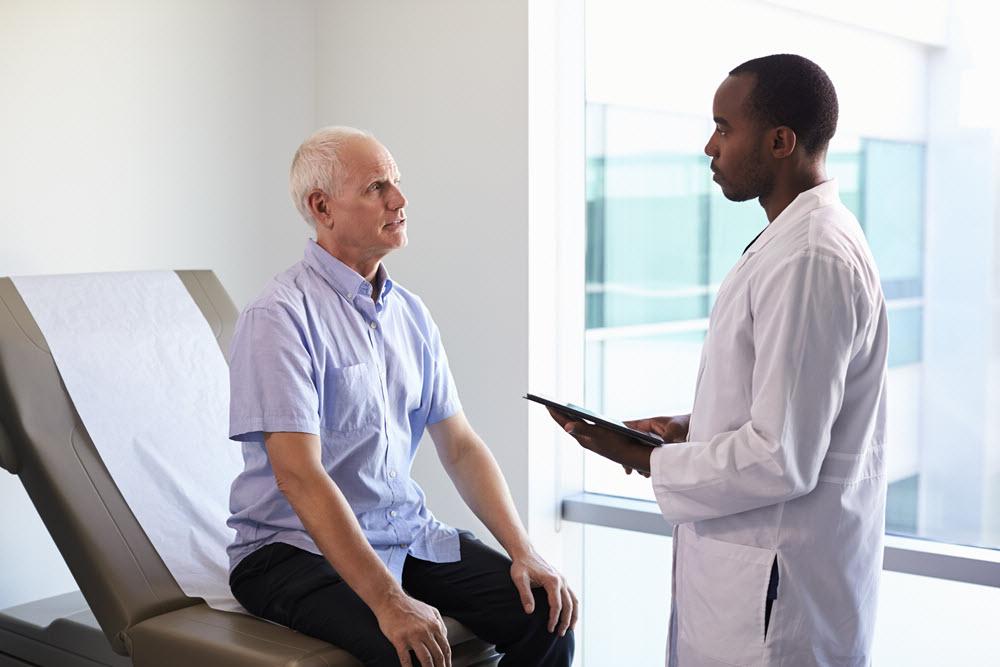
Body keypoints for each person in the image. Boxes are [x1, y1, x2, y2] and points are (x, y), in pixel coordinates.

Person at [549, 54, 888, 666]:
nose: (710, 146)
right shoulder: (794, 242)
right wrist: (692, 428)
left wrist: (648, 459)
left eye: (725, 128)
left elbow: (782, 456)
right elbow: (789, 408)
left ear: (781, 141)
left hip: (776, 603)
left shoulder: (810, 259)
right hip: (754, 582)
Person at [226, 126, 576, 667]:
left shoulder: (409, 313)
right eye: (376, 187)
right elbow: (298, 474)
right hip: (291, 552)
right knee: (405, 651)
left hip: (402, 534)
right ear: (322, 207)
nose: (400, 199)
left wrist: (523, 551)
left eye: (397, 182)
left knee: (546, 616)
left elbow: (459, 445)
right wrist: (389, 601)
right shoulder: (279, 316)